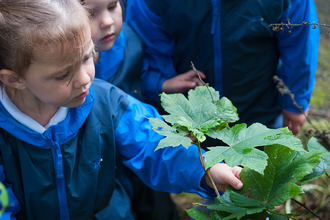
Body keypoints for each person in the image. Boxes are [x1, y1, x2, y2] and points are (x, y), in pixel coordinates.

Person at [0, 0, 243, 219]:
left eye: (87, 57)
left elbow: (153, 144)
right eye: (64, 74)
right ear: (14, 79)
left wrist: (207, 170)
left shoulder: (107, 102)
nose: (85, 79)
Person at [125, 0, 320, 137]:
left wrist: (295, 101)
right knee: (203, 173)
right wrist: (161, 82)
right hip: (192, 109)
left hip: (260, 103)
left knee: (256, 171)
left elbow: (300, 44)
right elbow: (149, 40)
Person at [80, 0, 183, 219]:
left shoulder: (131, 39)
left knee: (159, 208)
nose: (108, 21)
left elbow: (141, 75)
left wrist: (162, 84)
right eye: (90, 13)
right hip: (99, 169)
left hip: (142, 149)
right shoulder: (66, 72)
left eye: (112, 6)